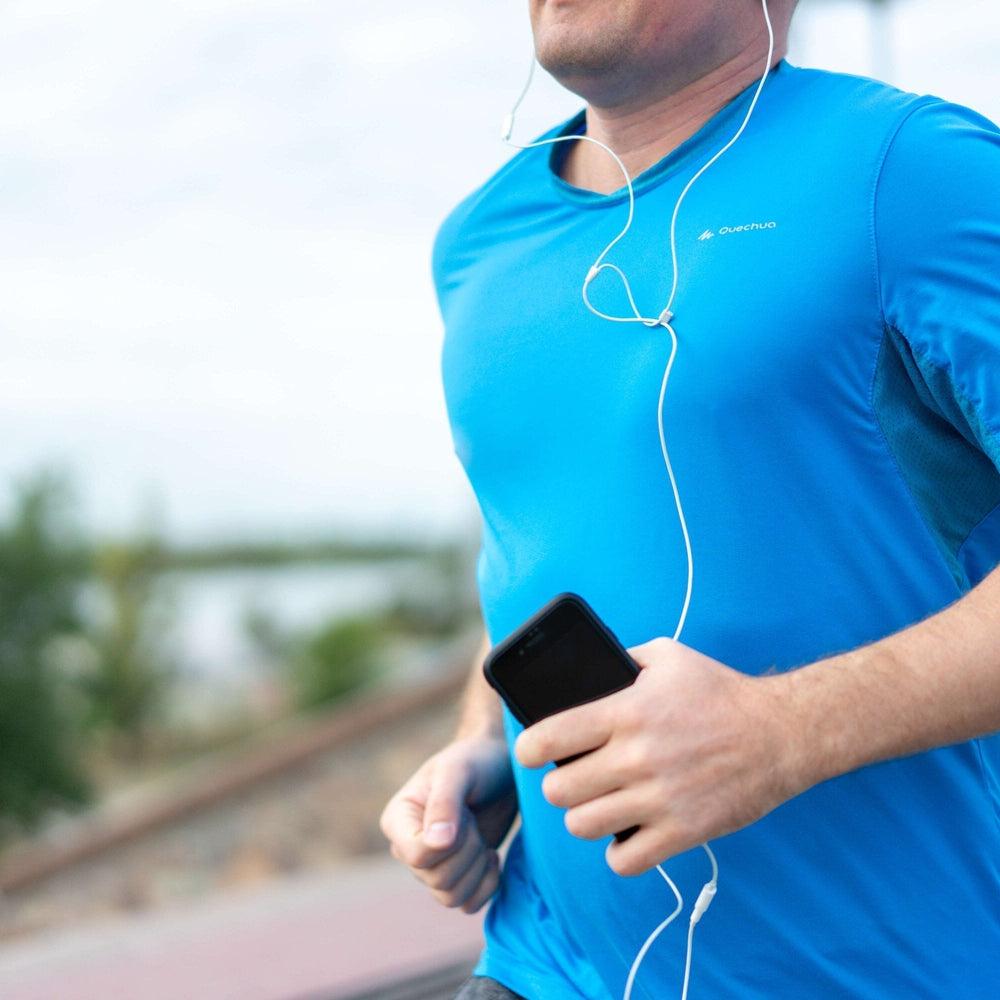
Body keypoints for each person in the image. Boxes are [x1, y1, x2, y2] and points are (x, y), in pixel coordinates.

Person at [381, 0, 1000, 996]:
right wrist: (482, 744)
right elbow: (533, 552)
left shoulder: (913, 171)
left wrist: (784, 727)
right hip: (541, 967)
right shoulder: (476, 246)